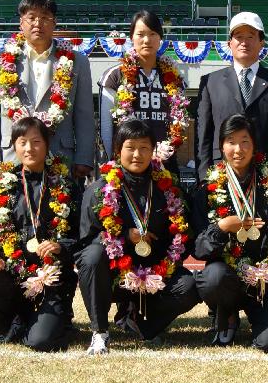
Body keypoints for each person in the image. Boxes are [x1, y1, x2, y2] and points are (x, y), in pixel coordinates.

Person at [78, 119, 200, 354]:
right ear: (118, 150)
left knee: (189, 286)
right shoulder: (98, 190)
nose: (137, 154)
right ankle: (100, 331)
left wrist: (161, 268)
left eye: (144, 147)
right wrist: (124, 235)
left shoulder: (168, 189)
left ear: (153, 151)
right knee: (92, 256)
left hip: (155, 274)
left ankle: (140, 323)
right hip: (115, 276)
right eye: (130, 147)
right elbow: (85, 244)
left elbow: (182, 239)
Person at [192, 114, 268, 351]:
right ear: (222, 146)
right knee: (213, 277)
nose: (238, 149)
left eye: (245, 141)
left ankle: (264, 319)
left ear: (254, 145)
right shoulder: (209, 189)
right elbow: (200, 249)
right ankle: (227, 315)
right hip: (230, 278)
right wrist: (222, 227)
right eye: (231, 141)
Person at [0, 117, 78, 351]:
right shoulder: (3, 186)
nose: (29, 148)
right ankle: (8, 324)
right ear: (14, 146)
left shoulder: (65, 185)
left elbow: (81, 234)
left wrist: (61, 246)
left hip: (51, 278)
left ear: (47, 144)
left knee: (41, 342)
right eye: (22, 142)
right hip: (12, 276)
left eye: (36, 141)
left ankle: (55, 320)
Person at [0, 0, 94, 188]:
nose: (38, 23)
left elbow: (84, 114)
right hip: (12, 154)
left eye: (45, 18)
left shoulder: (77, 61)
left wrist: (84, 157)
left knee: (59, 215)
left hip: (59, 154)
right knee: (12, 213)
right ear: (21, 23)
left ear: (54, 23)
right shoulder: (0, 60)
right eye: (31, 17)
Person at [197, 11, 268, 188]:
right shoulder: (210, 83)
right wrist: (205, 179)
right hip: (221, 177)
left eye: (251, 36)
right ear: (230, 43)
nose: (244, 42)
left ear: (261, 42)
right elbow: (204, 135)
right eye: (238, 36)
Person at [99, 10, 189, 173]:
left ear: (160, 38)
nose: (147, 40)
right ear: (131, 37)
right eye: (140, 34)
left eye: (153, 34)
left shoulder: (175, 78)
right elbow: (106, 127)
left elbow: (180, 124)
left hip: (165, 166)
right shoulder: (115, 76)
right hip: (127, 167)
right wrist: (110, 161)